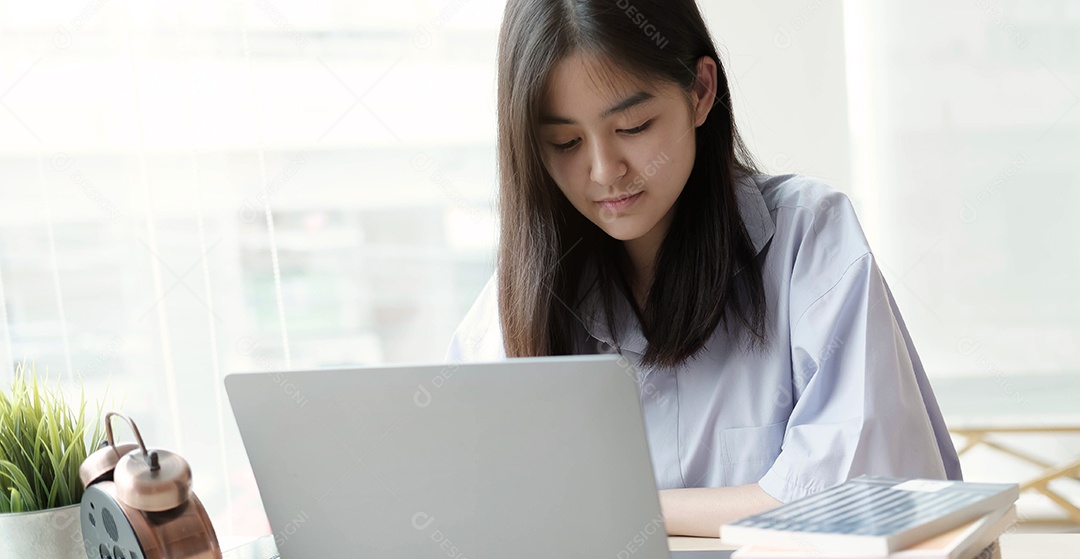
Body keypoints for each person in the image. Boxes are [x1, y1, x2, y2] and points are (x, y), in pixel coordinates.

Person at [446, 0, 962, 537]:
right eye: (566, 142)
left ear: (699, 92)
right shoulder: (525, 292)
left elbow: (855, 500)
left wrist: (623, 505)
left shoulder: (808, 239)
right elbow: (468, 494)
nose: (604, 172)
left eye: (634, 125)